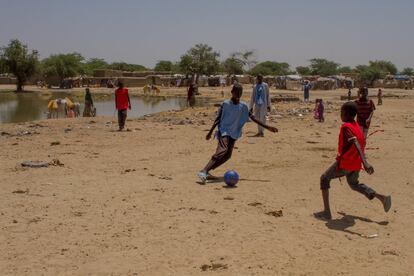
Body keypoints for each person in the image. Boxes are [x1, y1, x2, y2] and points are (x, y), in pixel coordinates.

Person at [315, 102, 391, 220]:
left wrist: (365, 163)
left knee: (324, 178)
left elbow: (355, 142)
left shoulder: (346, 127)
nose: (340, 115)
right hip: (355, 164)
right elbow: (360, 143)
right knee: (354, 184)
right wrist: (362, 161)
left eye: (341, 112)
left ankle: (326, 212)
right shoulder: (356, 126)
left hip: (346, 163)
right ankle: (382, 198)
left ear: (346, 114)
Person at [197, 83, 278, 183]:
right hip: (224, 131)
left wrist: (267, 127)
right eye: (236, 92)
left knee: (227, 155)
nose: (238, 94)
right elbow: (217, 119)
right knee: (222, 149)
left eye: (240, 92)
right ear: (232, 92)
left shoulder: (243, 106)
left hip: (234, 132)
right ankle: (204, 170)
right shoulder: (225, 104)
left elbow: (253, 118)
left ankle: (207, 171)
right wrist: (210, 132)